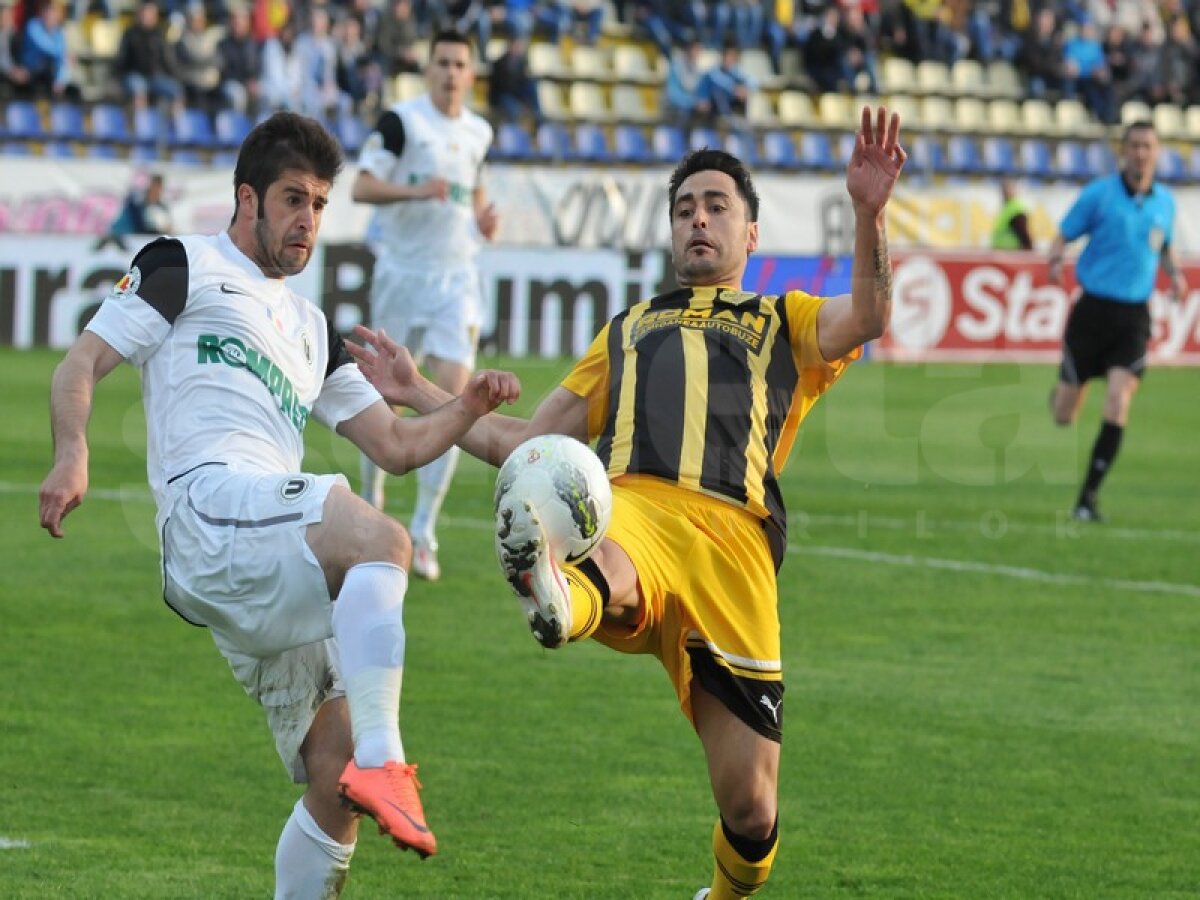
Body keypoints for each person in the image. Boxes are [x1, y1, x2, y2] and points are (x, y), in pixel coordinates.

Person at [350, 106, 907, 899]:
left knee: (750, 810)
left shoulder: (785, 320)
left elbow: (873, 313)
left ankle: (719, 895)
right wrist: (422, 392)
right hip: (634, 512)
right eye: (684, 210)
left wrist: (869, 211)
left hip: (735, 550)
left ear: (752, 235)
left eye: (717, 207)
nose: (698, 220)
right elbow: (528, 444)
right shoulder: (628, 330)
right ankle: (553, 587)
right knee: (601, 544)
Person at [38, 111, 520, 898]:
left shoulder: (312, 327)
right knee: (382, 541)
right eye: (293, 199)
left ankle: (366, 770)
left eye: (320, 205)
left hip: (259, 550)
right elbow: (81, 363)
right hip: (207, 510)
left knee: (334, 780)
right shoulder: (181, 264)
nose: (307, 221)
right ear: (247, 199)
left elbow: (395, 448)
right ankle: (389, 761)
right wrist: (72, 454)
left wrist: (462, 406)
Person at [353, 29, 498, 582]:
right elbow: (362, 188)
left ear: (471, 72)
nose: (451, 73)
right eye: (442, 62)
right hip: (401, 274)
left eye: (460, 64)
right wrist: (416, 192)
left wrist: (484, 219)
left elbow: (475, 193)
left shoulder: (479, 132)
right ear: (428, 68)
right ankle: (371, 502)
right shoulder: (401, 122)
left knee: (457, 401)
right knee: (379, 400)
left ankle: (423, 531)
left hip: (456, 278)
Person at [1047, 120, 1187, 522]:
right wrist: (1055, 259)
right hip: (1092, 312)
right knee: (1064, 414)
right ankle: (1071, 388)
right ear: (1123, 151)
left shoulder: (1164, 202)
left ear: (1158, 152)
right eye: (1135, 145)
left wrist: (1175, 276)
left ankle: (1087, 498)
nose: (1141, 153)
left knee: (1119, 399)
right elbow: (1064, 234)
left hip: (1133, 317)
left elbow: (1165, 248)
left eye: (1148, 146)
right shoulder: (1099, 195)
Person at [108, 172, 173, 240]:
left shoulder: (162, 208)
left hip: (142, 239)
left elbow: (166, 227)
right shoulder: (136, 203)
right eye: (154, 187)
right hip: (123, 237)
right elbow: (139, 227)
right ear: (149, 186)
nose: (156, 191)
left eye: (159, 188)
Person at [990, 178, 1033, 251]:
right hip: (1004, 253)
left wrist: (1028, 250)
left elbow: (1023, 234)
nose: (1004, 192)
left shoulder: (1015, 209)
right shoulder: (1007, 208)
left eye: (1008, 189)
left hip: (1011, 253)